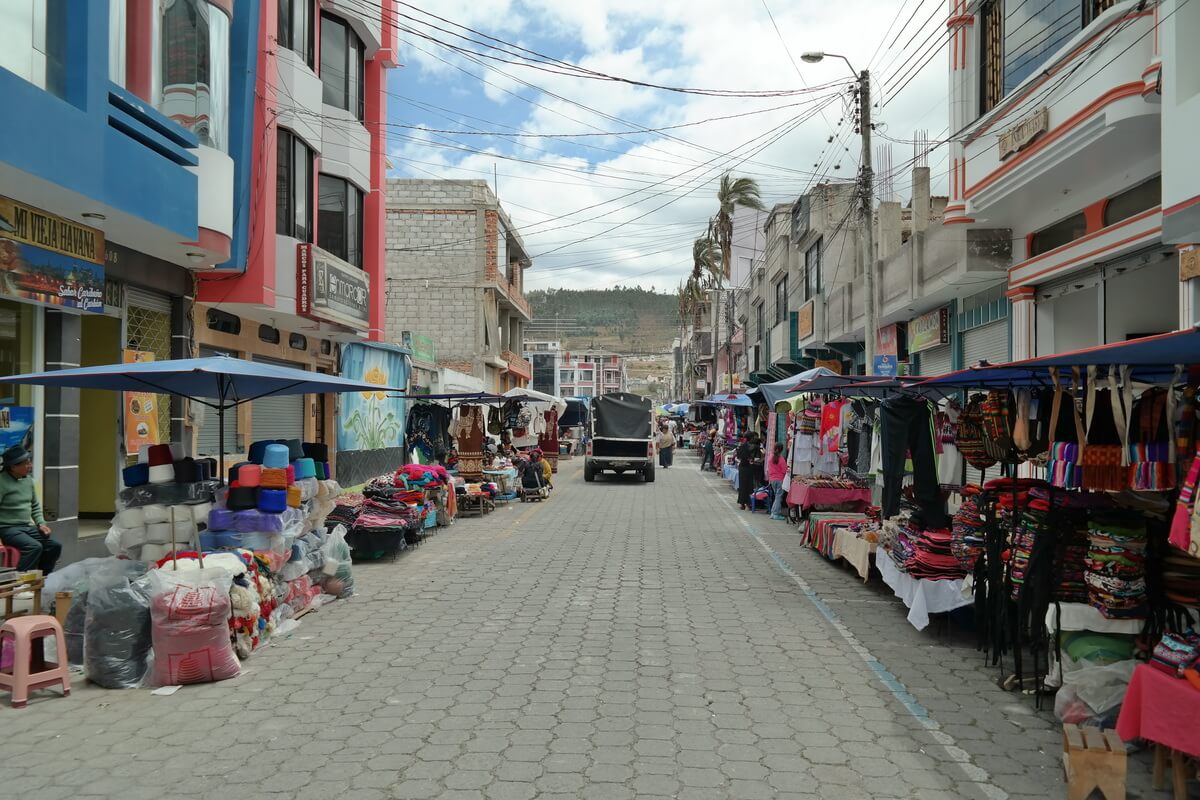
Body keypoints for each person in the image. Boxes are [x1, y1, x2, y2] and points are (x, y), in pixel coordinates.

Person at [0, 445, 61, 573]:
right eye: (26, 463)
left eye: (30, 462)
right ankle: (20, 582)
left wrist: (41, 523)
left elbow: (34, 505)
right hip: (7, 529)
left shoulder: (28, 481)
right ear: (13, 466)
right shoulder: (2, 482)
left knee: (54, 546)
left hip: (26, 527)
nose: (30, 466)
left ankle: (42, 579)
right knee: (34, 547)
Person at [736, 434, 762, 510]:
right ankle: (748, 504)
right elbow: (758, 457)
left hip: (742, 467)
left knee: (742, 485)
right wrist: (752, 460)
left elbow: (738, 457)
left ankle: (742, 504)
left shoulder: (741, 446)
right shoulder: (755, 447)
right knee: (750, 486)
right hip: (750, 467)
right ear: (752, 438)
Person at [766, 443, 789, 520]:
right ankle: (775, 513)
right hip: (780, 480)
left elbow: (768, 469)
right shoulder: (781, 459)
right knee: (778, 497)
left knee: (776, 496)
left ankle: (773, 512)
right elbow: (784, 470)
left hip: (772, 479)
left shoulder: (770, 457)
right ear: (781, 450)